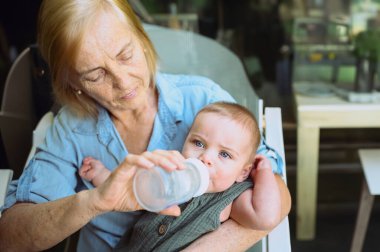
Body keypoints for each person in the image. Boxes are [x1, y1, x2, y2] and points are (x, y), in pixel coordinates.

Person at [0, 0, 291, 251]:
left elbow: (278, 197)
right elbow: (9, 238)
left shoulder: (204, 101)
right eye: (94, 75)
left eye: (125, 55)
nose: (124, 83)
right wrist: (94, 201)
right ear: (71, 82)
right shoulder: (71, 131)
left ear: (142, 39)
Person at [79, 102, 281, 251]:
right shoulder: (170, 173)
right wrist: (101, 174)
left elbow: (265, 216)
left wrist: (264, 172)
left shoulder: (230, 199)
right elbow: (129, 189)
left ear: (242, 172)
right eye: (199, 143)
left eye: (224, 154)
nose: (205, 157)